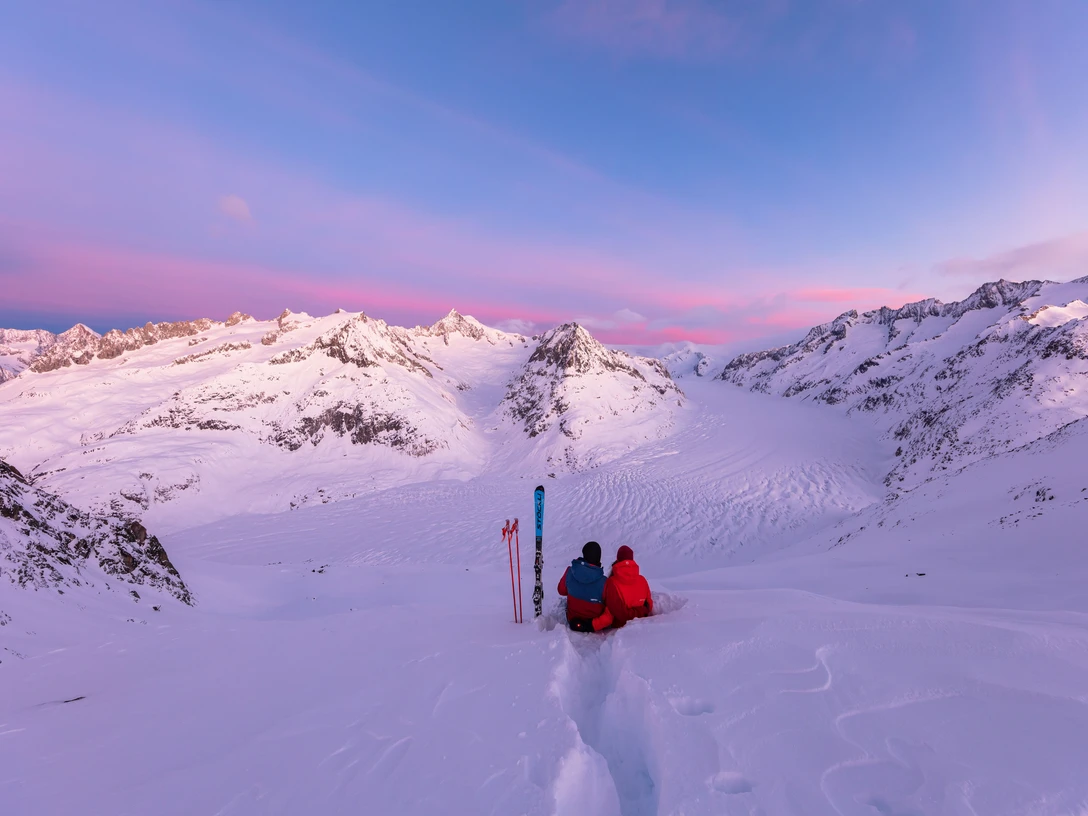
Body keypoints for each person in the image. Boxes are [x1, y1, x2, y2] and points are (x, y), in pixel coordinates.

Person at [557, 541, 608, 632]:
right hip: (595, 624)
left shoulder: (570, 571)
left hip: (572, 620)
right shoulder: (605, 582)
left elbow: (561, 591)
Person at [600, 545, 653, 629]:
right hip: (642, 627)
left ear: (618, 558)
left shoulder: (611, 582)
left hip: (619, 630)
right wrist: (642, 610)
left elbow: (620, 613)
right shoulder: (642, 580)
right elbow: (648, 606)